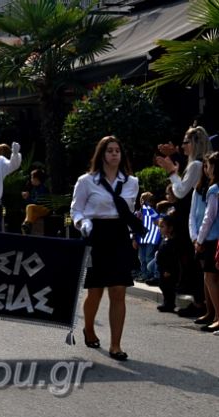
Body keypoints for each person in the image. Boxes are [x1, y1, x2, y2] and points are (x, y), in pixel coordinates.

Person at [71, 135, 139, 361]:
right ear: (101, 154)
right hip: (96, 235)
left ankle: (116, 344)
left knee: (119, 291)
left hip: (119, 235)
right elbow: (76, 210)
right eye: (109, 150)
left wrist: (132, 234)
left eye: (117, 150)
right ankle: (88, 328)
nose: (113, 154)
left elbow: (130, 212)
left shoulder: (132, 182)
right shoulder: (86, 181)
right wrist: (83, 222)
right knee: (95, 291)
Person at [155, 126, 209, 318]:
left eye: (185, 142)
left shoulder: (196, 165)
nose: (182, 146)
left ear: (194, 143)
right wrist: (176, 156)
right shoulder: (197, 163)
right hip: (194, 219)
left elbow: (180, 191)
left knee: (193, 265)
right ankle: (201, 303)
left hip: (192, 222)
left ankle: (200, 302)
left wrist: (170, 171)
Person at [193, 152, 219, 332]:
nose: (207, 169)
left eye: (209, 166)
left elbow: (209, 218)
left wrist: (199, 240)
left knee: (210, 278)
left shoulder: (214, 189)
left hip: (211, 239)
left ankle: (218, 316)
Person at [155, 214, 180, 313]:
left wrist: (168, 270)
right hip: (162, 268)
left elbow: (172, 259)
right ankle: (166, 302)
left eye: (162, 226)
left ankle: (169, 304)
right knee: (162, 285)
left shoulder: (172, 242)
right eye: (159, 226)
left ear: (170, 228)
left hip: (168, 270)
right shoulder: (164, 240)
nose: (160, 229)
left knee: (168, 287)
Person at [135, 192, 161, 281]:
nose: (142, 202)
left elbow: (157, 221)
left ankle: (150, 274)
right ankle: (144, 274)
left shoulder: (153, 211)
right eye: (141, 200)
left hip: (151, 238)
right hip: (141, 239)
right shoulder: (139, 212)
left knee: (148, 256)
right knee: (141, 258)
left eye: (145, 200)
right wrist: (135, 239)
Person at [20, 168, 50, 235]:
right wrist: (26, 198)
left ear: (37, 179)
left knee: (29, 207)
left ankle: (27, 222)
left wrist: (28, 198)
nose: (31, 180)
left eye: (32, 178)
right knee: (31, 218)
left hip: (45, 209)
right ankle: (26, 229)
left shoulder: (43, 188)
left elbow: (38, 202)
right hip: (38, 210)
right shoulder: (34, 189)